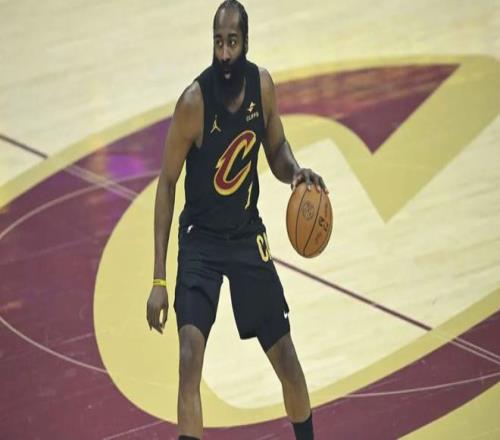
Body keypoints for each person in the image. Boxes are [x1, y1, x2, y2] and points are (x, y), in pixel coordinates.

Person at [146, 1, 327, 439]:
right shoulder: (193, 103)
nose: (224, 53)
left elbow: (277, 149)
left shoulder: (262, 87)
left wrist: (295, 172)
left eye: (232, 42)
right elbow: (166, 183)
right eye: (218, 42)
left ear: (246, 42)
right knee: (189, 359)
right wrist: (158, 280)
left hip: (246, 236)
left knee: (287, 359)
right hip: (201, 242)